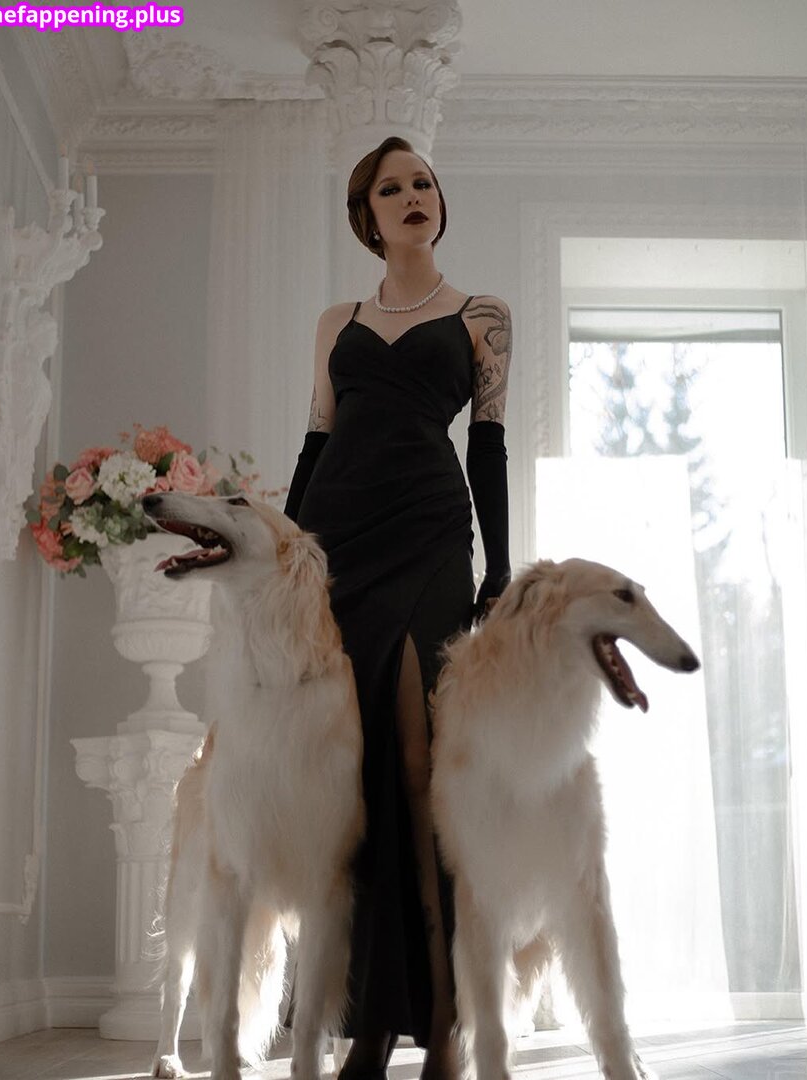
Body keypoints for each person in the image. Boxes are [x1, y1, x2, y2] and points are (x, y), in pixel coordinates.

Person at [283, 135, 512, 1080]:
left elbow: (488, 444)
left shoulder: (482, 315)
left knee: (423, 768)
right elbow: (315, 443)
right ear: (366, 215)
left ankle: (446, 1016)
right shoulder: (336, 320)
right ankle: (367, 1021)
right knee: (354, 772)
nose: (413, 194)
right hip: (341, 541)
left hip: (428, 536)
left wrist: (501, 564)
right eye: (392, 187)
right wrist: (289, 559)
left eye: (424, 183)